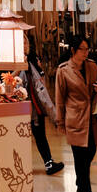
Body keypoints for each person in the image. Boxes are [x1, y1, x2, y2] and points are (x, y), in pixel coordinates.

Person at [55, 35, 97, 192]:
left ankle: (80, 185)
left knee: (90, 150)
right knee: (79, 156)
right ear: (73, 50)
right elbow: (60, 98)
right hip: (74, 118)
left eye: (87, 49)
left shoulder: (92, 66)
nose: (85, 52)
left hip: (91, 117)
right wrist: (59, 121)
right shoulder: (64, 70)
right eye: (82, 49)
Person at [23, 35, 64, 176]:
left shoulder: (31, 59)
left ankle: (49, 163)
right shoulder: (21, 62)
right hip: (31, 106)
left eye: (25, 41)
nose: (24, 44)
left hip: (36, 106)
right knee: (37, 136)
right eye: (21, 42)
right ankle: (48, 163)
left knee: (40, 136)